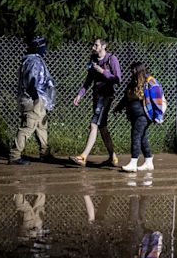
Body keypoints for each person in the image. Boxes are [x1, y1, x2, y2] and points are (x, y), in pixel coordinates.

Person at [70, 38, 122, 167]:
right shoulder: (93, 60)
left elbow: (118, 79)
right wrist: (80, 95)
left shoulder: (112, 59)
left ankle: (83, 157)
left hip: (106, 96)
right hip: (96, 96)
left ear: (104, 46)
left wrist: (103, 71)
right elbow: (88, 81)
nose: (93, 47)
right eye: (93, 44)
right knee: (102, 127)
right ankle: (112, 157)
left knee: (94, 124)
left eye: (96, 45)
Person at [8, 35, 56, 165]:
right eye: (42, 46)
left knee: (41, 126)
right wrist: (36, 99)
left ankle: (44, 153)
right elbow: (31, 82)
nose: (44, 49)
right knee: (28, 127)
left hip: (37, 98)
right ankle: (14, 156)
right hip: (32, 99)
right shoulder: (33, 61)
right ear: (37, 47)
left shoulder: (31, 59)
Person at [114, 62, 163, 172]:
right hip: (134, 116)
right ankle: (149, 162)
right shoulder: (133, 83)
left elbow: (158, 99)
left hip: (144, 116)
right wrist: (118, 108)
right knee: (142, 137)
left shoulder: (150, 82)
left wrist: (158, 115)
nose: (131, 72)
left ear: (139, 70)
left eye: (134, 70)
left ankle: (133, 162)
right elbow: (126, 98)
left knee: (135, 136)